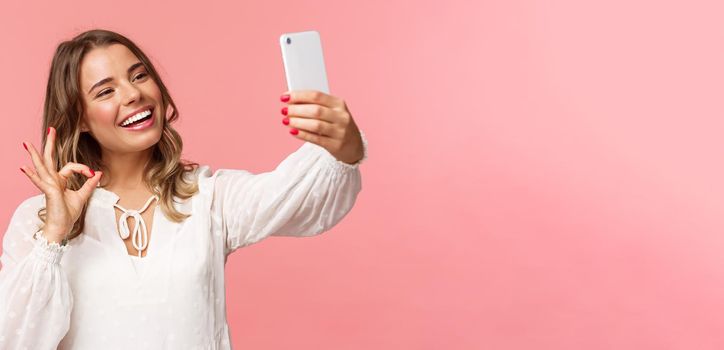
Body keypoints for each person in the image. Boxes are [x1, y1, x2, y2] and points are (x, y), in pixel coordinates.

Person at [0, 29, 367, 349]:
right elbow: (16, 339)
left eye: (139, 75)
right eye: (106, 90)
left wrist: (345, 144)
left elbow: (300, 197)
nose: (133, 94)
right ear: (79, 117)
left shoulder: (208, 198)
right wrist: (54, 235)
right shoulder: (37, 220)